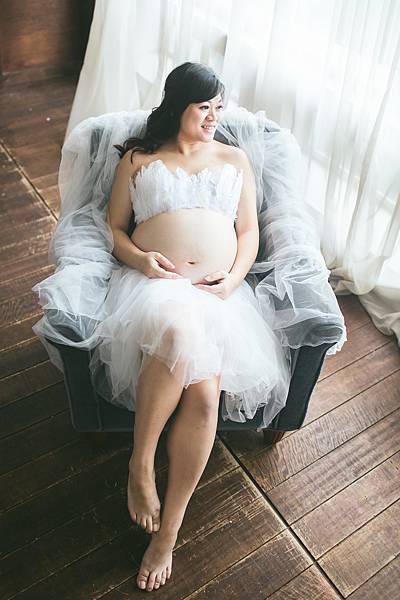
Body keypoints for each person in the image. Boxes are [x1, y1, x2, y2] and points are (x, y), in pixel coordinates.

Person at [97, 62, 290, 592]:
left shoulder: (234, 159)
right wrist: (141, 260)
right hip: (153, 288)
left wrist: (233, 280)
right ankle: (141, 466)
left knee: (205, 398)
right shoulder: (138, 158)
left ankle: (169, 533)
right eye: (204, 107)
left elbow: (247, 233)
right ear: (177, 105)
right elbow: (114, 229)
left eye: (219, 108)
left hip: (217, 295)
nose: (213, 118)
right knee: (179, 335)